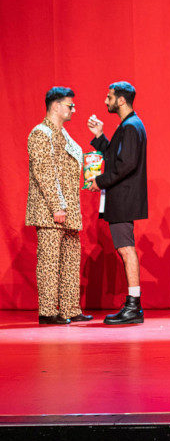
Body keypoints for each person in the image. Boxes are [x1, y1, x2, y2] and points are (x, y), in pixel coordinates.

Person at [26, 87, 92, 324]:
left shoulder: (64, 134)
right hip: (49, 210)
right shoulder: (40, 133)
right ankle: (47, 311)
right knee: (49, 261)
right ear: (55, 106)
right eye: (70, 105)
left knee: (70, 260)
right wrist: (57, 206)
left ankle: (70, 308)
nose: (73, 109)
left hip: (70, 210)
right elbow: (44, 172)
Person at [85, 81, 148, 325]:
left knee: (126, 249)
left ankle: (134, 305)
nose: (106, 101)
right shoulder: (129, 125)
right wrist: (100, 136)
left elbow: (126, 164)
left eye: (109, 97)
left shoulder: (131, 126)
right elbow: (116, 157)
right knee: (124, 248)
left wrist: (99, 181)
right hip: (122, 197)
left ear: (121, 100)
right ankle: (133, 304)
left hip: (123, 197)